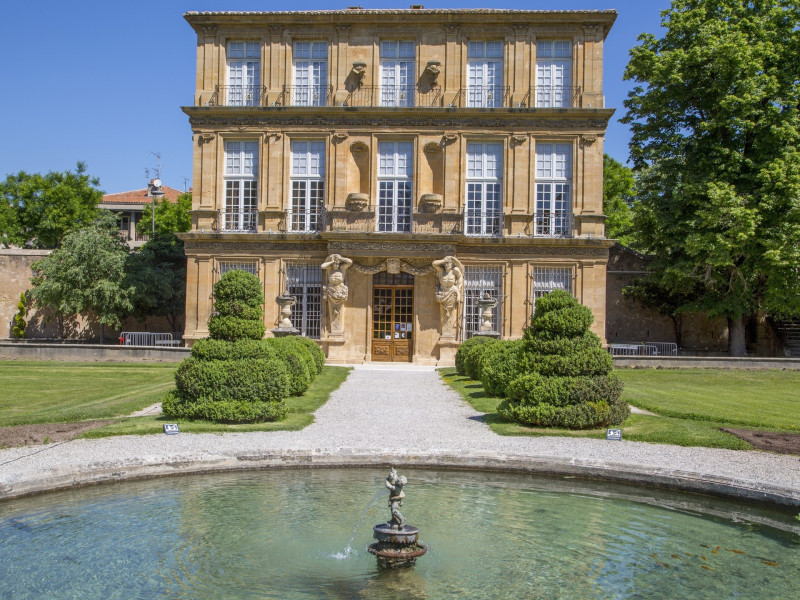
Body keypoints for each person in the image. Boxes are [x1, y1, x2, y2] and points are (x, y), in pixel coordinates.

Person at [321, 254, 353, 335]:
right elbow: (322, 266)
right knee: (333, 312)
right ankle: (335, 331)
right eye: (335, 264)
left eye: (337, 264)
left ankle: (337, 331)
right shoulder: (329, 269)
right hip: (331, 290)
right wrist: (331, 261)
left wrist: (341, 258)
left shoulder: (342, 269)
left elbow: (350, 262)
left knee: (337, 312)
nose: (336, 265)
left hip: (339, 291)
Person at [432, 256, 464, 336]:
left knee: (449, 313)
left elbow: (460, 277)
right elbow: (434, 264)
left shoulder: (454, 271)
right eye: (445, 265)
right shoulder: (441, 271)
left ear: (452, 265)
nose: (446, 266)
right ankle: (446, 334)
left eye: (448, 264)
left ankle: (448, 334)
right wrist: (443, 260)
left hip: (451, 292)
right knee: (444, 313)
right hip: (443, 293)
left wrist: (458, 288)